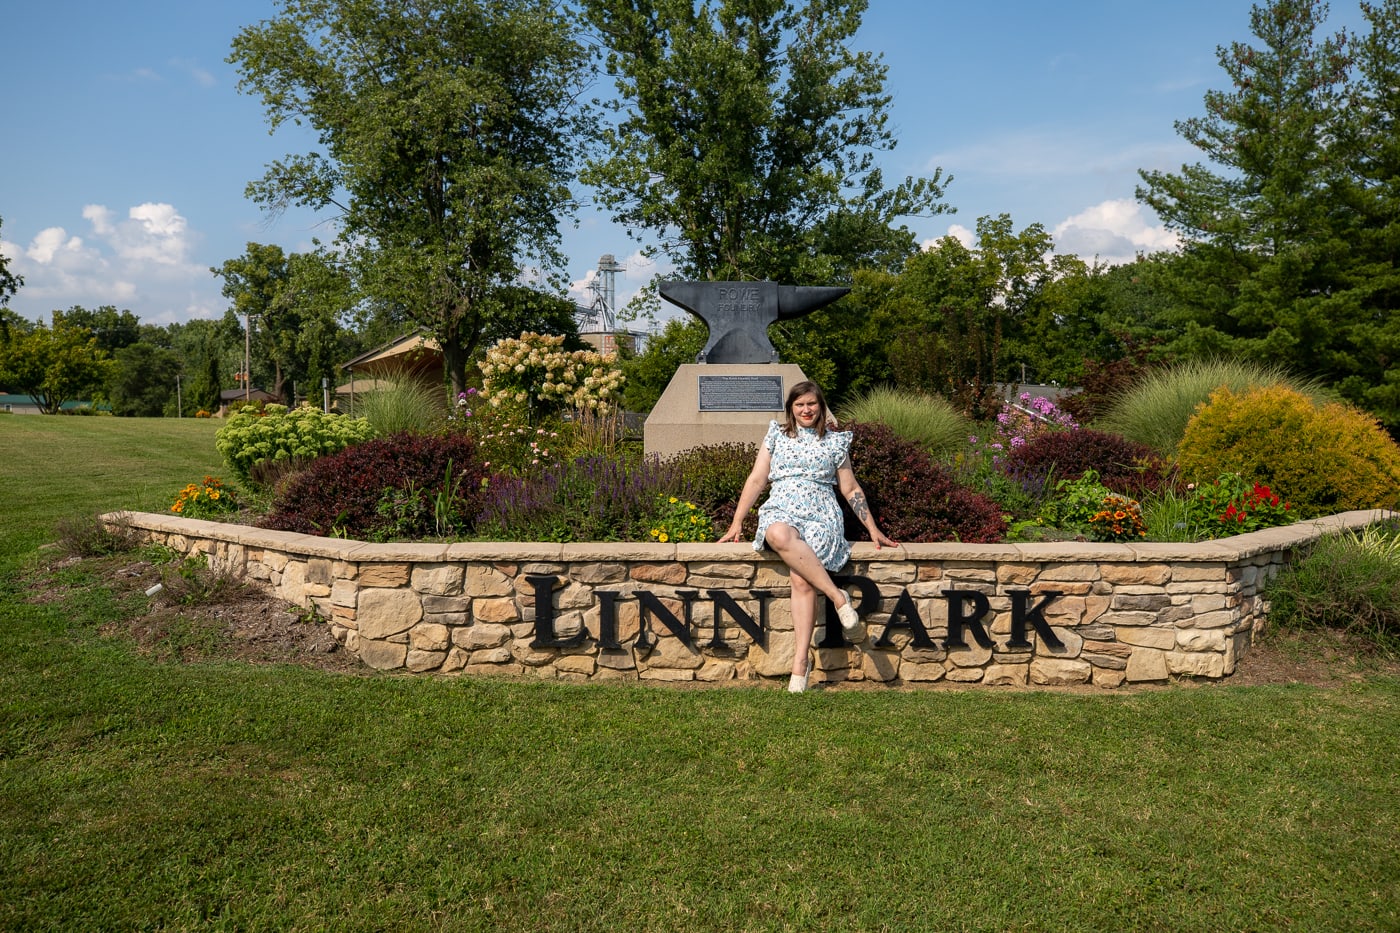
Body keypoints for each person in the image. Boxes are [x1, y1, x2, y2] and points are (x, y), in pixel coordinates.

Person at [719, 381, 898, 692]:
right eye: (799, 404)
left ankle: (800, 663)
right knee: (776, 533)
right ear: (791, 407)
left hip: (821, 514)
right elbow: (758, 477)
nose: (806, 410)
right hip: (782, 509)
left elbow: (850, 489)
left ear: (821, 406)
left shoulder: (835, 442)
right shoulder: (776, 435)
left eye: (811, 404)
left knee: (801, 579)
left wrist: (873, 528)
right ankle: (837, 597)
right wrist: (737, 522)